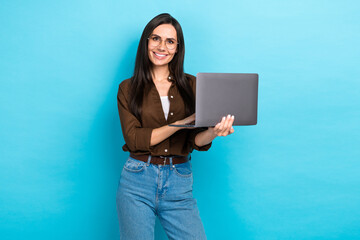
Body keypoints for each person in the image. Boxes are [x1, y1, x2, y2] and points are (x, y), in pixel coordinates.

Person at [116, 13, 235, 240]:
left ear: (178, 48)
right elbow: (134, 139)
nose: (162, 47)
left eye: (170, 41)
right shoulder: (128, 88)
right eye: (156, 38)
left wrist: (213, 132)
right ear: (146, 43)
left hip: (179, 180)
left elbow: (195, 140)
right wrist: (181, 123)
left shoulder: (193, 85)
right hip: (137, 182)